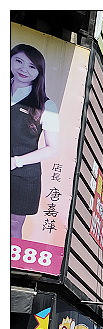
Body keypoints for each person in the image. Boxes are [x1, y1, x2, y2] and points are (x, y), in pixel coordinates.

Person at [11, 44, 60, 239]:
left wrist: (16, 161)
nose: (24, 70)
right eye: (19, 61)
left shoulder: (46, 105)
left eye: (32, 66)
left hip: (23, 175)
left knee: (13, 226)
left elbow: (51, 148)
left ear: (39, 72)